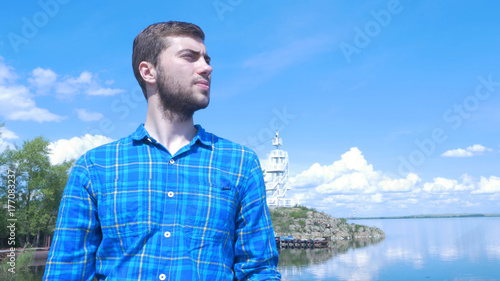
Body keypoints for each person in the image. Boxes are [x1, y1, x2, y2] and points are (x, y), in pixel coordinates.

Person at [43, 21, 281, 280]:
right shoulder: (94, 167)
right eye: (190, 57)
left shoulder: (241, 164)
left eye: (207, 59)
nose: (207, 67)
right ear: (149, 72)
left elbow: (259, 270)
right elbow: (66, 271)